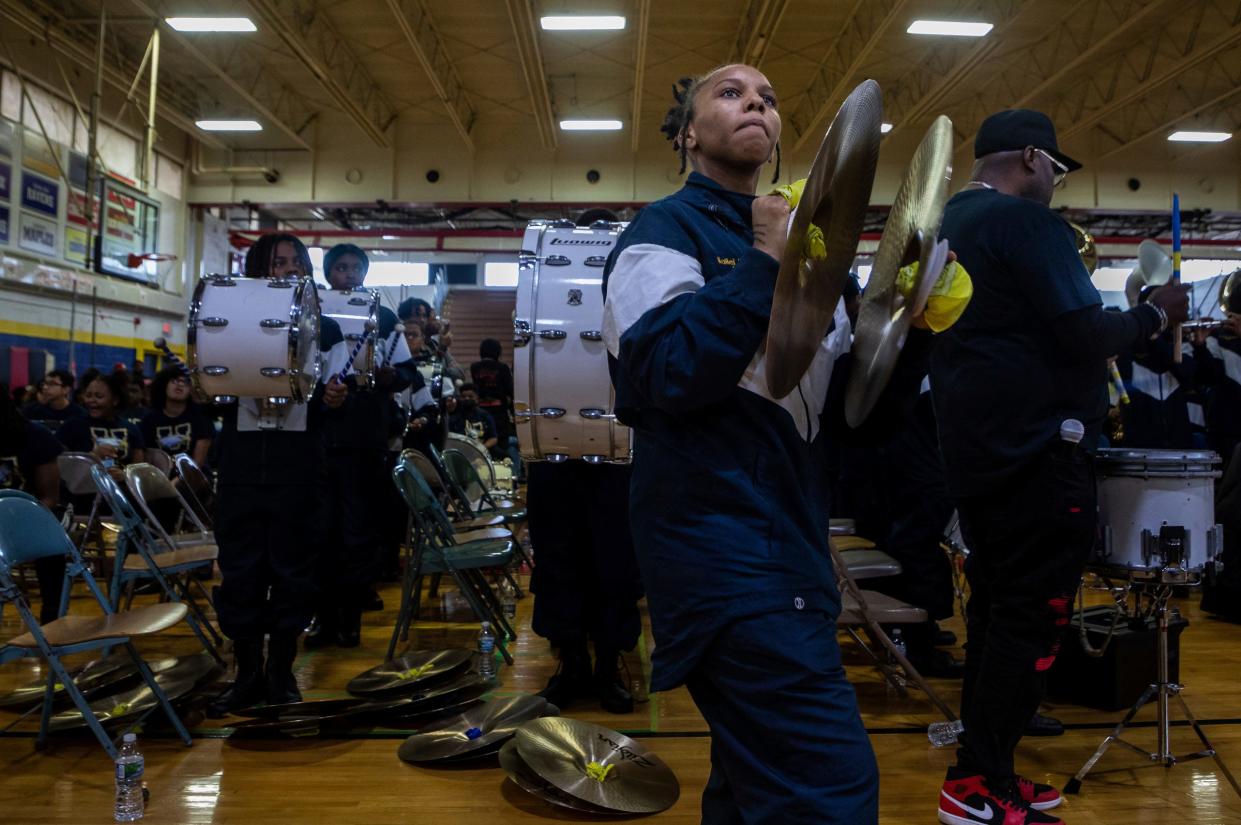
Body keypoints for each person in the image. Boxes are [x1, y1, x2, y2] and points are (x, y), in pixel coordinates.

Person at [602, 64, 876, 823]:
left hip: (786, 540)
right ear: (687, 133)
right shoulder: (663, 231)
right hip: (723, 548)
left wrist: (903, 318)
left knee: (752, 787)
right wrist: (761, 261)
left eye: (769, 94)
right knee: (826, 789)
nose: (756, 100)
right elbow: (665, 372)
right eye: (729, 93)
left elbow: (842, 413)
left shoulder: (809, 247)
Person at [929, 109, 1190, 825]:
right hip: (1038, 456)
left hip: (980, 456)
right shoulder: (1025, 224)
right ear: (1029, 158)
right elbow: (1082, 333)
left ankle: (981, 771)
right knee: (1029, 619)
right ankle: (978, 782)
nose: (1056, 180)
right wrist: (1152, 314)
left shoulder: (952, 221)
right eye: (1056, 167)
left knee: (994, 614)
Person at [207, 233, 347, 715]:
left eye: (293, 263)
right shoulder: (225, 324)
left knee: (294, 574)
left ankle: (281, 672)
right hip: (242, 466)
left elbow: (338, 390)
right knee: (241, 573)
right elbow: (211, 386)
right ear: (255, 269)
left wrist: (334, 399)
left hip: (298, 467)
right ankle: (245, 673)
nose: (285, 271)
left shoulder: (327, 330)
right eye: (275, 263)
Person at [307, 243, 415, 648]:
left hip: (364, 436)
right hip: (318, 433)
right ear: (329, 272)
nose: (348, 274)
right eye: (341, 268)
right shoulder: (310, 309)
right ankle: (321, 618)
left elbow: (406, 372)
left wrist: (388, 377)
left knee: (357, 530)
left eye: (356, 268)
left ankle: (350, 617)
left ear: (365, 274)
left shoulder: (383, 316)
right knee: (319, 530)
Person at [0, 385, 64, 623]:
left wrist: (14, 528)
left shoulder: (35, 437)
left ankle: (51, 614)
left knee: (49, 537)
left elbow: (49, 498)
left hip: (36, 512)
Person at [57, 370, 145, 481]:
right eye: (88, 395)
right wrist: (92, 456)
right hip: (82, 490)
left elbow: (139, 470)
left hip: (122, 490)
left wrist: (124, 476)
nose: (92, 400)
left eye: (99, 396)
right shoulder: (71, 426)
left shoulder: (131, 429)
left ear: (115, 400)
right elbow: (59, 465)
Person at [140, 367, 213, 467]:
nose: (180, 384)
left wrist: (174, 482)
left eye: (186, 382)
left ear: (192, 390)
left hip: (194, 478)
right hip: (160, 477)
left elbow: (197, 463)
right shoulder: (149, 420)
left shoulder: (201, 418)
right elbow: (147, 459)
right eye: (174, 380)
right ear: (164, 384)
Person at [470, 339, 516, 463]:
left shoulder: (474, 367)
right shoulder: (503, 368)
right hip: (499, 412)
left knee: (483, 441)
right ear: (498, 352)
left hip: (481, 410)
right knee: (501, 446)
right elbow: (510, 391)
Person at [21, 369, 86, 430]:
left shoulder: (79, 414)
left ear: (66, 389)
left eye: (52, 384)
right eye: (45, 383)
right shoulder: (31, 411)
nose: (45, 387)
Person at [447, 383, 497, 451]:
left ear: (477, 398)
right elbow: (451, 439)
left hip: (483, 452)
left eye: (470, 396)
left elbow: (493, 438)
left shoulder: (485, 415)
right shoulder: (454, 417)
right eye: (463, 397)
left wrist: (480, 449)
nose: (467, 399)